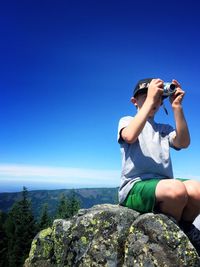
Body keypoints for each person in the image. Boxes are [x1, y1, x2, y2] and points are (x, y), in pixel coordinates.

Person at [117, 78, 200, 254]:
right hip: (134, 187)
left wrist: (177, 107)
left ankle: (184, 228)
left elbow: (183, 142)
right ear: (134, 101)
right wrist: (150, 101)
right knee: (176, 190)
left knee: (197, 190)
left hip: (164, 185)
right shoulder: (126, 121)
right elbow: (130, 136)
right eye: (145, 96)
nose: (154, 100)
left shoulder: (163, 128)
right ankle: (173, 237)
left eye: (157, 97)